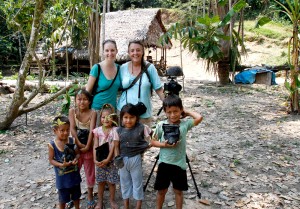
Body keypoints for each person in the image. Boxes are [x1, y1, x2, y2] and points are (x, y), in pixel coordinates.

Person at [151, 94, 203, 209]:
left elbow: (199, 118)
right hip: (164, 163)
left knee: (178, 192)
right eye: (169, 112)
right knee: (161, 191)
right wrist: (163, 145)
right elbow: (152, 142)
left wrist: (187, 112)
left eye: (176, 111)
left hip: (179, 165)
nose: (173, 115)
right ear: (165, 111)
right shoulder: (161, 125)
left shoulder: (185, 124)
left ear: (181, 110)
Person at [117, 40, 165, 127]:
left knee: (144, 140)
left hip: (143, 113)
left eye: (138, 50)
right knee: (123, 140)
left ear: (143, 51)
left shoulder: (149, 68)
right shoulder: (123, 68)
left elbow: (159, 89)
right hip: (124, 113)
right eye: (132, 50)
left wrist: (169, 105)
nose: (135, 53)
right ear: (128, 52)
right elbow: (115, 86)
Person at [113, 104, 152, 209]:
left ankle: (138, 206)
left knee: (137, 182)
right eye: (125, 117)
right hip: (122, 160)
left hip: (136, 158)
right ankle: (126, 205)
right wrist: (117, 158)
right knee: (124, 183)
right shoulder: (117, 131)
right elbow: (116, 146)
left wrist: (146, 147)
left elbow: (150, 140)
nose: (128, 120)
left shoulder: (142, 128)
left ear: (136, 118)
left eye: (131, 117)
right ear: (121, 118)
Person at [69, 89, 97, 208]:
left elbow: (92, 131)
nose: (82, 102)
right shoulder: (72, 111)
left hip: (89, 147)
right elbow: (72, 129)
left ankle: (90, 195)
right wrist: (79, 144)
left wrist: (87, 145)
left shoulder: (93, 112)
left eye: (85, 99)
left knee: (89, 171)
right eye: (79, 99)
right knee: (74, 171)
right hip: (75, 148)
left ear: (89, 101)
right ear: (75, 100)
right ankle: (73, 196)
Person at [48, 116, 82, 209]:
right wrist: (61, 165)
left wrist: (76, 159)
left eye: (67, 130)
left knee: (76, 196)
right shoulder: (52, 145)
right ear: (55, 131)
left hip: (74, 176)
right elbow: (51, 160)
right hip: (62, 179)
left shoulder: (72, 141)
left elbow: (78, 154)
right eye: (62, 130)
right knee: (62, 199)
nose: (66, 132)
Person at [92, 104, 119, 209]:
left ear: (113, 118)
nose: (106, 119)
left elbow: (113, 146)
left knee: (111, 182)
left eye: (109, 117)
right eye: (103, 117)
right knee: (101, 182)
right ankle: (100, 202)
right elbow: (95, 145)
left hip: (111, 160)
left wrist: (108, 159)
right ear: (100, 118)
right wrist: (94, 159)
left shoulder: (115, 130)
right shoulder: (97, 130)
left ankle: (112, 200)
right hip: (99, 161)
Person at [86, 39, 122, 111]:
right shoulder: (97, 68)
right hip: (97, 109)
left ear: (116, 51)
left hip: (112, 110)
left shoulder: (120, 69)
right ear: (103, 52)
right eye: (107, 50)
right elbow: (88, 90)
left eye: (112, 50)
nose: (110, 53)